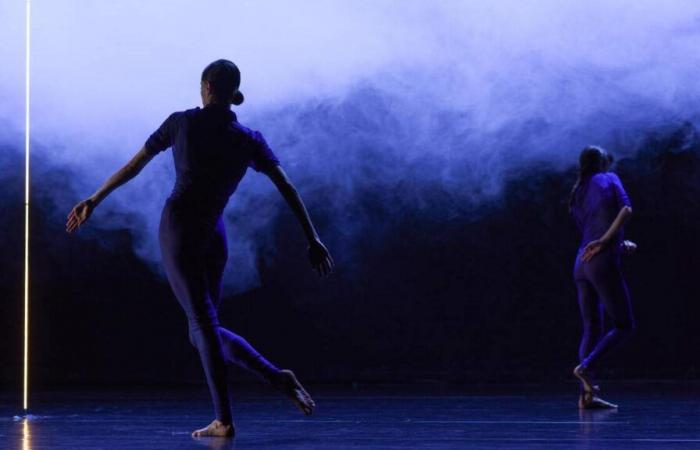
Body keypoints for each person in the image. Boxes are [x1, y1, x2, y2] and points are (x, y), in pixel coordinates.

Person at [66, 59, 334, 437]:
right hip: (214, 233)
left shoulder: (182, 122)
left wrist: (94, 198)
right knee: (203, 330)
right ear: (231, 93)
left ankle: (226, 418)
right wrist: (313, 238)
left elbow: (134, 166)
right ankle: (277, 377)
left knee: (201, 326)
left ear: (206, 87)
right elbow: (287, 187)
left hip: (181, 227)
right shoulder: (249, 138)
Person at [569, 145, 636, 409]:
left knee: (591, 327)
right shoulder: (609, 178)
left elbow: (590, 231)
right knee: (624, 325)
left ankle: (587, 395)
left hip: (581, 264)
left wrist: (618, 243)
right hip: (600, 261)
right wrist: (609, 241)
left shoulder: (577, 192)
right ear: (602, 163)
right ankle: (585, 368)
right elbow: (626, 209)